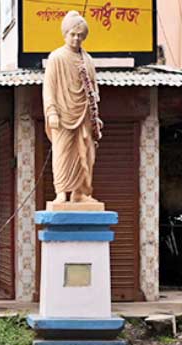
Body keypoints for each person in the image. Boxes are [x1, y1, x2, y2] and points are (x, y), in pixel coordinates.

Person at [43, 11, 103, 206]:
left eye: (80, 35)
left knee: (86, 154)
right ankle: (61, 191)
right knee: (62, 153)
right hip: (62, 115)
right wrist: (51, 111)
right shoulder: (56, 58)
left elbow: (93, 89)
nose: (76, 38)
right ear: (65, 34)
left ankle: (80, 192)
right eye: (73, 34)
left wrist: (96, 116)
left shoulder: (88, 60)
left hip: (85, 114)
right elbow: (49, 88)